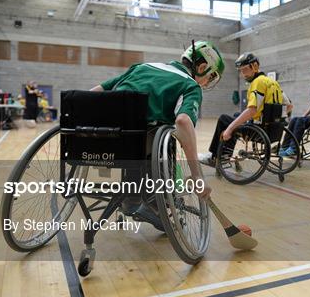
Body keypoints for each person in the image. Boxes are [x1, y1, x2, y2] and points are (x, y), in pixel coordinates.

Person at [90, 40, 224, 230]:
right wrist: (197, 175)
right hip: (138, 146)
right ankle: (153, 204)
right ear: (202, 67)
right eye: (209, 77)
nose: (206, 83)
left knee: (142, 133)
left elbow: (94, 93)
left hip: (99, 144)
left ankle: (132, 198)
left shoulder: (141, 67)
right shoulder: (190, 85)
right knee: (165, 135)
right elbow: (183, 122)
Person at [198, 52, 286, 166]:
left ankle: (215, 157)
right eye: (240, 71)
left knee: (224, 120)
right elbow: (289, 106)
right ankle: (226, 153)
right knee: (236, 115)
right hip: (274, 130)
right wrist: (275, 121)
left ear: (254, 66)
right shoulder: (273, 83)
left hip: (258, 131)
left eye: (244, 70)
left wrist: (230, 129)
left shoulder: (257, 82)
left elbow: (252, 110)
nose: (242, 74)